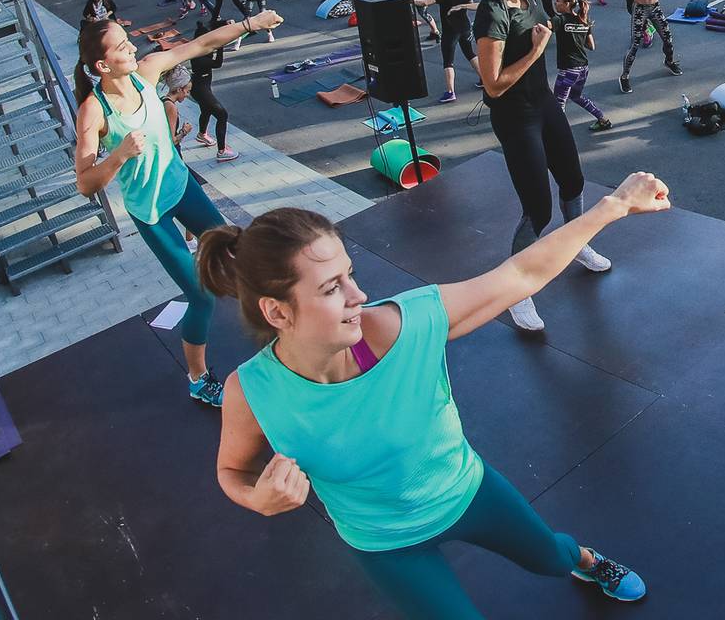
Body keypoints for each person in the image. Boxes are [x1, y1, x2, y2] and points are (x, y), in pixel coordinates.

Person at [204, 190, 661, 616]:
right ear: (278, 312)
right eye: (331, 288)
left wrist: (614, 205)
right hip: (385, 545)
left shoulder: (401, 328)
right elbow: (232, 471)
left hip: (468, 493)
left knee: (552, 558)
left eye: (350, 274)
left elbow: (520, 275)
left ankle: (584, 559)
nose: (358, 295)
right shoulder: (252, 391)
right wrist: (256, 499)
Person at [74, 9, 283, 404]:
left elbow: (201, 44)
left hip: (182, 186)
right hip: (151, 213)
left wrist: (251, 24)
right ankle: (198, 379)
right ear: (103, 65)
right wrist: (118, 155)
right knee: (200, 296)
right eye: (122, 46)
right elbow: (85, 183)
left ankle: (276, 323)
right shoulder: (95, 110)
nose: (132, 48)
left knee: (240, 252)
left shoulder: (148, 71)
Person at [473, 0, 625, 333]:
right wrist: (537, 49)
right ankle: (516, 290)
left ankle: (576, 242)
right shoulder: (492, 14)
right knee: (538, 208)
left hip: (543, 104)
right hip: (514, 115)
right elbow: (493, 85)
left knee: (573, 180)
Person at [617, 0, 680, 93]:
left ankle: (669, 61)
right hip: (640, 8)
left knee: (668, 38)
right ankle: (624, 77)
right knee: (635, 43)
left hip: (655, 7)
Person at [550, 0, 611, 133]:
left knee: (558, 103)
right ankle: (603, 119)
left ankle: (560, 135)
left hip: (568, 70)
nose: (555, 2)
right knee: (575, 95)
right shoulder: (583, 20)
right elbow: (591, 46)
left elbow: (543, 29)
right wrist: (576, 37)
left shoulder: (559, 20)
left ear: (566, 4)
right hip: (583, 69)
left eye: (558, 0)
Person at [186, 15, 238, 160]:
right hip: (200, 88)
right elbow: (217, 64)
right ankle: (222, 151)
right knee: (222, 114)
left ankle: (202, 135)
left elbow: (213, 26)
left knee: (206, 110)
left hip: (202, 85)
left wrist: (226, 24)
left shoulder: (201, 45)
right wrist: (220, 46)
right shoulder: (198, 56)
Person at [428, 0, 480, 105]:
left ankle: (450, 92)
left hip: (450, 31)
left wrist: (408, 0)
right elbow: (473, 4)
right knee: (470, 54)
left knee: (448, 61)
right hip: (465, 28)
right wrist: (462, 6)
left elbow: (426, 2)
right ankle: (484, 80)